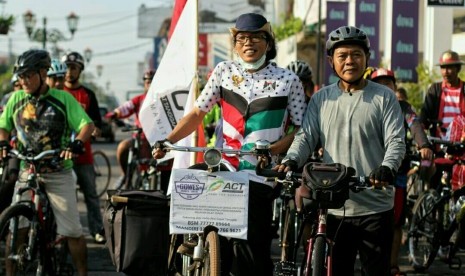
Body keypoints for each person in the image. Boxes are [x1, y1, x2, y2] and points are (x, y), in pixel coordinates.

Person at [153, 13, 307, 275]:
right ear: (234, 44)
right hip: (222, 163)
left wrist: (274, 150)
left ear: (268, 43)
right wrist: (168, 140)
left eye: (257, 37)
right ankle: (192, 242)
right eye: (242, 38)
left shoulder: (288, 80)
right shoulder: (223, 71)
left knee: (250, 254)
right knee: (184, 190)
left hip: (260, 174)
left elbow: (302, 129)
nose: (249, 43)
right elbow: (197, 114)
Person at [277, 26, 406, 275]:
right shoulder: (321, 99)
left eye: (356, 54)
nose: (350, 61)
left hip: (375, 206)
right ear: (331, 61)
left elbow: (396, 141)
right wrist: (292, 159)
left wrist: (387, 167)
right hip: (333, 206)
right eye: (342, 55)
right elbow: (306, 137)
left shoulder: (384, 97)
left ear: (366, 58)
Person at [0, 49, 92, 276]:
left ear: (43, 73)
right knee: (15, 229)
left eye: (29, 75)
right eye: (20, 76)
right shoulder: (16, 99)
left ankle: (83, 273)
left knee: (72, 230)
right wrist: (3, 143)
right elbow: (3, 127)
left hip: (58, 171)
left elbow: (86, 125)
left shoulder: (63, 99)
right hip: (27, 169)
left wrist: (77, 144)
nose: (24, 81)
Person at [370, 68, 433, 276]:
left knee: (395, 221)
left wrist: (423, 144)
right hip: (367, 170)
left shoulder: (403, 107)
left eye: (389, 83)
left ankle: (393, 264)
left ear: (395, 87)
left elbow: (415, 125)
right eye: (380, 83)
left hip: (396, 172)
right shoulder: (367, 103)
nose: (385, 87)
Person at [61, 51, 106, 244]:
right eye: (67, 68)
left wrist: (96, 130)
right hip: (60, 153)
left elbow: (97, 123)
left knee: (91, 195)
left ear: (80, 70)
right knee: (62, 197)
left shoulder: (88, 94)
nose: (69, 72)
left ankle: (96, 229)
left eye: (73, 68)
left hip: (83, 154)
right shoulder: (57, 92)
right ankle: (61, 232)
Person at [105, 69, 171, 192]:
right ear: (144, 83)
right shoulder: (139, 99)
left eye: (153, 81)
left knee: (171, 162)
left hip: (161, 140)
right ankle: (126, 176)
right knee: (122, 147)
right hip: (140, 139)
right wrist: (114, 114)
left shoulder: (165, 99)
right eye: (148, 81)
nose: (150, 84)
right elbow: (125, 108)